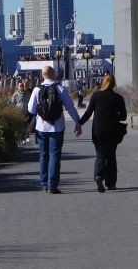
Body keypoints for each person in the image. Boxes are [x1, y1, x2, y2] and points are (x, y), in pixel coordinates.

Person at [27, 66, 82, 194]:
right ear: (54, 74)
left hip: (41, 127)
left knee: (43, 155)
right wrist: (77, 122)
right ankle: (52, 185)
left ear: (42, 75)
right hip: (57, 127)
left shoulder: (36, 90)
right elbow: (70, 107)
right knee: (54, 155)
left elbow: (31, 110)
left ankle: (44, 183)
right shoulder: (61, 89)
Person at [77, 72, 127, 192]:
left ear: (102, 83)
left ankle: (98, 175)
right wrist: (114, 115)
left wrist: (79, 123)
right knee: (111, 156)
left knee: (100, 154)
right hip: (113, 130)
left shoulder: (96, 96)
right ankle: (111, 183)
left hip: (98, 130)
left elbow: (88, 113)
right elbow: (123, 117)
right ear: (114, 84)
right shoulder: (118, 98)